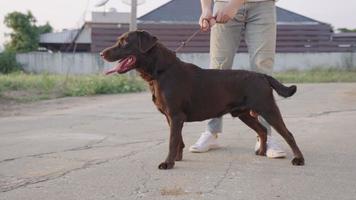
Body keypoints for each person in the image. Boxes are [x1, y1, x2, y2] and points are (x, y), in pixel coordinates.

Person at [189, 0, 287, 158]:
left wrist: (234, 5)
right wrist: (206, 9)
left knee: (262, 68)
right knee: (217, 70)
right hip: (223, 4)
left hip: (262, 5)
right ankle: (212, 132)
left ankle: (265, 137)